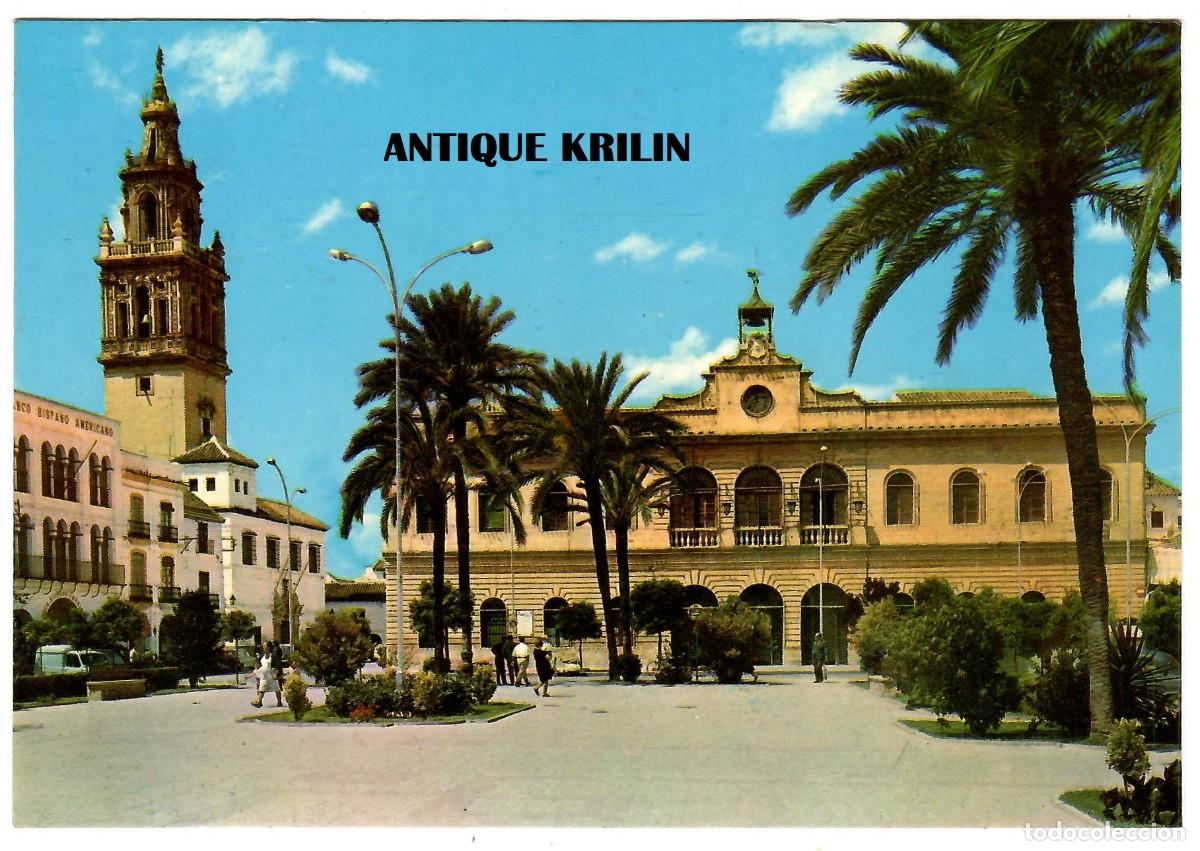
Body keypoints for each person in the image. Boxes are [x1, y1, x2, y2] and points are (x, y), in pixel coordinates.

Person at [251, 641, 282, 707]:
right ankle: (259, 702)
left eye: (265, 646)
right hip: (264, 676)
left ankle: (279, 702)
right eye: (263, 646)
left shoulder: (273, 656)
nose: (264, 647)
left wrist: (276, 674)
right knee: (261, 688)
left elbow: (277, 665)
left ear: (269, 647)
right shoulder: (262, 656)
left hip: (271, 675)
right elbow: (260, 665)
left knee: (277, 689)